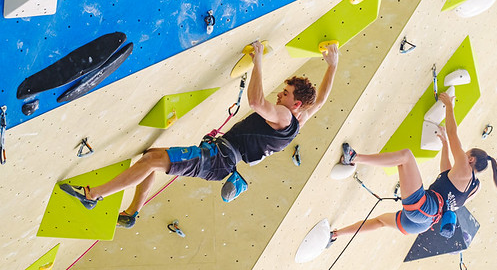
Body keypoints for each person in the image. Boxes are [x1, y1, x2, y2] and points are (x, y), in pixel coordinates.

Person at [61, 40, 339, 228]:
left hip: (217, 158)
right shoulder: (296, 123)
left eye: (286, 93)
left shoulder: (284, 115)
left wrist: (258, 61)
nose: (280, 93)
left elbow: (255, 102)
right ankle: (132, 212)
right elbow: (322, 101)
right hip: (219, 158)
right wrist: (332, 66)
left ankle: (93, 195)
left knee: (151, 162)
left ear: (295, 103)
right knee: (151, 157)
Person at [329, 91, 497, 242]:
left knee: (406, 156)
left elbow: (453, 131)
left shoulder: (464, 166)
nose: (462, 156)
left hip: (424, 208)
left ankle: (353, 158)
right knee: (380, 221)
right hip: (422, 223)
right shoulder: (474, 187)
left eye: (465, 155)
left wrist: (449, 106)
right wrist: (445, 145)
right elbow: (446, 174)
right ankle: (336, 234)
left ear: (470, 160)